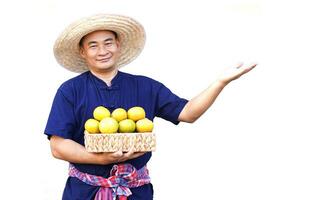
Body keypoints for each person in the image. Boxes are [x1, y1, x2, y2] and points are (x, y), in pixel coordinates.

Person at [45, 14, 256, 200]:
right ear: (82, 51)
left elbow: (188, 113)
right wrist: (100, 159)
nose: (102, 51)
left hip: (136, 192)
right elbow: (58, 146)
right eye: (93, 45)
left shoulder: (146, 86)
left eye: (108, 43)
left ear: (118, 45)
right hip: (84, 193)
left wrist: (220, 82)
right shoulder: (70, 90)